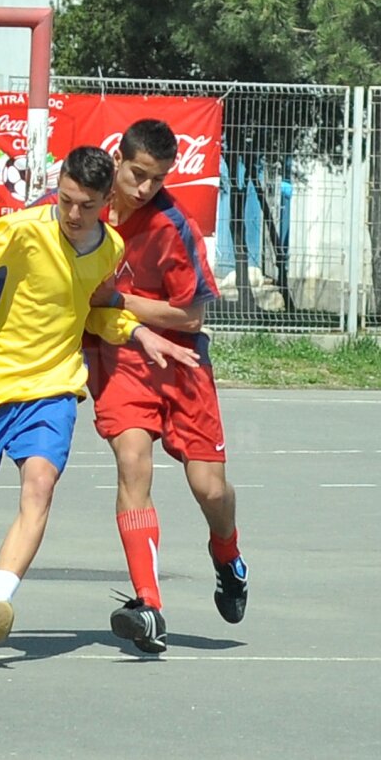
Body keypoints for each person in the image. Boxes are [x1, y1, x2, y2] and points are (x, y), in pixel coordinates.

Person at [0, 146, 200, 657]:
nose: (73, 214)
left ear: (106, 200)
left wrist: (136, 332)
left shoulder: (110, 248)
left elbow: (92, 310)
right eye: (66, 201)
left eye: (86, 205)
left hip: (53, 388)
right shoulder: (24, 230)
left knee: (39, 487)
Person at [86, 119, 248, 654]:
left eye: (157, 178)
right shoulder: (82, 207)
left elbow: (191, 317)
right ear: (117, 159)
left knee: (210, 489)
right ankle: (148, 605)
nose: (145, 187)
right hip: (120, 362)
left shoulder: (174, 226)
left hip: (181, 364)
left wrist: (117, 301)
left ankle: (227, 553)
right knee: (133, 462)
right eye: (138, 174)